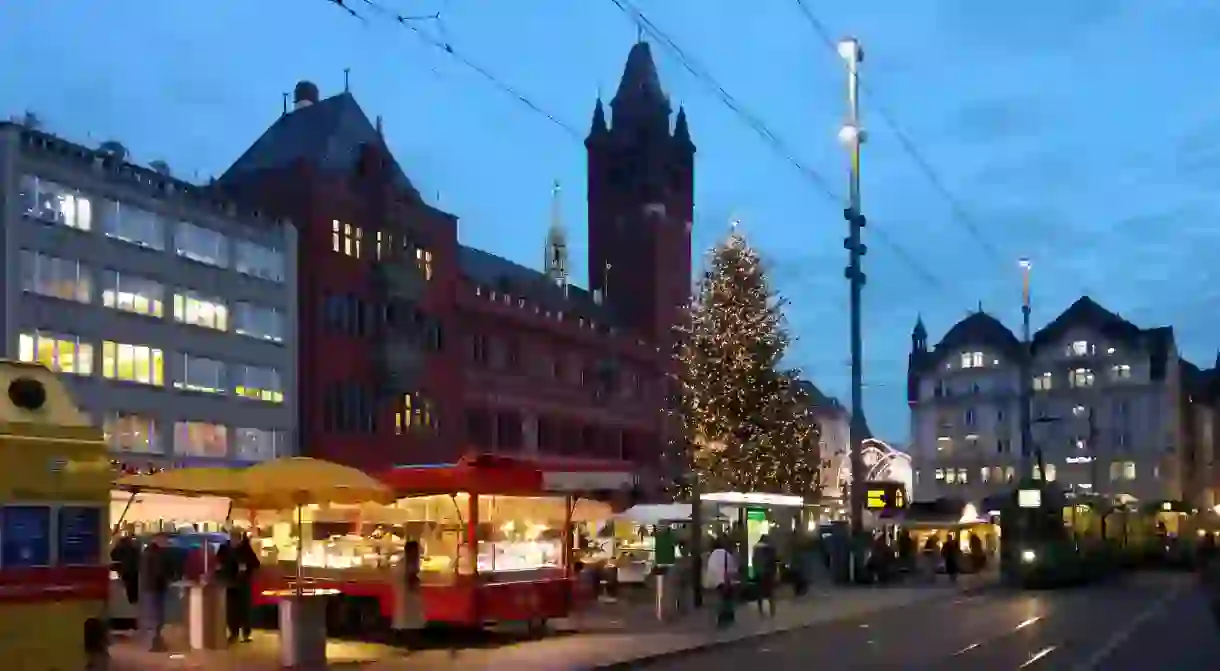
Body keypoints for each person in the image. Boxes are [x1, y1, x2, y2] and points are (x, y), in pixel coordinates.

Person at [216, 528, 261, 643]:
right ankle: (233, 632)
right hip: (230, 582)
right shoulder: (224, 548)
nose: (235, 540)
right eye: (233, 537)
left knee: (244, 609)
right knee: (231, 609)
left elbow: (256, 563)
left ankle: (245, 633)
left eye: (237, 537)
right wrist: (220, 568)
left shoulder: (245, 549)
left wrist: (246, 566)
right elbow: (218, 562)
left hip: (243, 583)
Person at [141, 533, 173, 652]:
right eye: (165, 540)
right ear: (157, 539)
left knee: (153, 616)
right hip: (156, 588)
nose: (166, 542)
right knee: (157, 617)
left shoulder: (148, 552)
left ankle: (155, 642)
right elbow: (159, 572)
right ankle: (155, 644)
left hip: (150, 587)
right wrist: (167, 580)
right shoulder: (157, 553)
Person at [703, 538, 738, 628]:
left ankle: (719, 618)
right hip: (726, 581)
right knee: (728, 599)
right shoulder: (727, 554)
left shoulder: (712, 556)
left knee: (720, 599)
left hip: (716, 582)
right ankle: (727, 617)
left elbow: (710, 570)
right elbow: (732, 569)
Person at [110, 533, 141, 609]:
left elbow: (113, 555)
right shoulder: (133, 549)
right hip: (134, 570)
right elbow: (138, 558)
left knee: (128, 585)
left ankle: (130, 599)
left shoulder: (118, 549)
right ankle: (134, 599)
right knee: (134, 584)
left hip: (124, 571)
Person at [751, 534, 779, 617]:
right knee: (770, 593)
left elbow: (753, 560)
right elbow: (773, 561)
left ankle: (761, 611)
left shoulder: (756, 548)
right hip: (768, 572)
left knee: (760, 593)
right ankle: (772, 612)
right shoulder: (770, 549)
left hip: (758, 573)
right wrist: (775, 572)